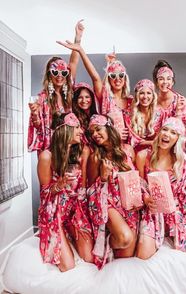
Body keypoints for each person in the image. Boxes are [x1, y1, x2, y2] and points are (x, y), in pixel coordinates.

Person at [136, 117, 186, 253]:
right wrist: (146, 198)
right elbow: (138, 186)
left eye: (173, 132)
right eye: (165, 130)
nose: (167, 134)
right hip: (153, 212)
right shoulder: (143, 156)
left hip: (176, 213)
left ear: (178, 139)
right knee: (143, 255)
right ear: (159, 132)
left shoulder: (181, 161)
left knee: (184, 256)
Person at [37, 112, 93, 271]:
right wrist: (59, 184)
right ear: (65, 130)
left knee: (89, 257)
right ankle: (61, 235)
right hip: (55, 212)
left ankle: (70, 234)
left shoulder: (81, 152)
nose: (81, 131)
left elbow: (82, 187)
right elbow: (45, 195)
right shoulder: (46, 156)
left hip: (74, 211)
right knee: (68, 266)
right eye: (77, 128)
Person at [86, 114, 141, 269]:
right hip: (108, 204)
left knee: (125, 258)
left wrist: (141, 198)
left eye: (98, 129)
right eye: (92, 133)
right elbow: (89, 192)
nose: (95, 135)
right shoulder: (95, 157)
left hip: (129, 204)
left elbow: (136, 178)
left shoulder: (128, 150)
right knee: (124, 238)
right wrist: (103, 177)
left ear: (109, 128)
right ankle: (104, 241)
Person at [57, 38, 131, 141]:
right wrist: (80, 50)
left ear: (125, 78)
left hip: (129, 145)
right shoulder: (105, 99)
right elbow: (95, 78)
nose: (118, 79)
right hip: (105, 146)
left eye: (121, 75)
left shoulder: (131, 101)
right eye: (113, 75)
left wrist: (111, 63)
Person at [28, 20, 84, 153]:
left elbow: (74, 62)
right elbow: (38, 126)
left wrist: (78, 38)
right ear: (49, 74)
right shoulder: (42, 98)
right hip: (50, 146)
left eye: (64, 72)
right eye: (55, 72)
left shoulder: (69, 92)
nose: (60, 76)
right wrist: (35, 114)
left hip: (70, 145)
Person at [152, 60, 186, 136]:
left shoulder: (180, 101)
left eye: (168, 78)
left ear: (172, 82)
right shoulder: (151, 101)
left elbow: (183, 133)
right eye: (161, 79)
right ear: (156, 82)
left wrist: (178, 111)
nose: (165, 82)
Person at [127, 79, 164, 151]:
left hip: (156, 149)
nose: (145, 96)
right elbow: (132, 140)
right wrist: (150, 143)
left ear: (153, 96)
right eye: (142, 93)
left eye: (148, 93)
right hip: (136, 150)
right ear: (137, 96)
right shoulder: (129, 113)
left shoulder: (160, 113)